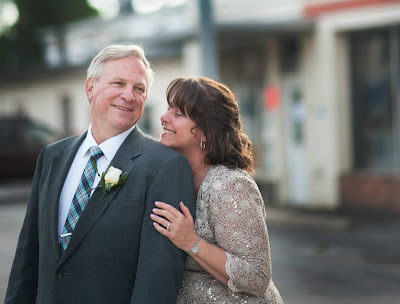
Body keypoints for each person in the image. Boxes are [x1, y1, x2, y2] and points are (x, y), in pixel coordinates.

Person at [5, 45, 196, 304]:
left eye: (139, 88)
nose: (129, 95)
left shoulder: (165, 166)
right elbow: (27, 258)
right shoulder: (52, 156)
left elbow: (158, 279)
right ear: (90, 88)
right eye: (119, 83)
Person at [151, 76, 284, 303]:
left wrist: (191, 242)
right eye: (167, 109)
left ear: (205, 131)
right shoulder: (168, 177)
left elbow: (256, 276)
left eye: (178, 114)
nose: (164, 118)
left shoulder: (230, 185)